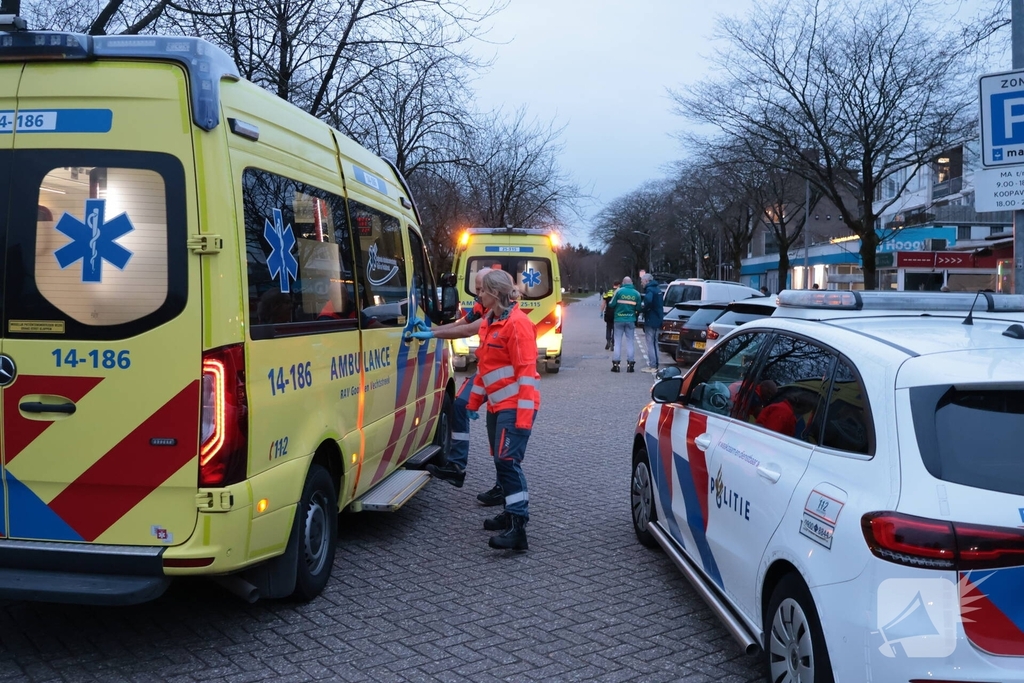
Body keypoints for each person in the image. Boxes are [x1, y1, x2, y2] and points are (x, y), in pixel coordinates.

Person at [409, 268, 504, 507]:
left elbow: (469, 330)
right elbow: (462, 322)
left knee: (500, 435)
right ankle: (457, 466)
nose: (478, 294)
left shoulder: (499, 311)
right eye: (476, 288)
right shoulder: (482, 305)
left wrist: (432, 334)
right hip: (486, 372)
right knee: (460, 406)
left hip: (502, 379)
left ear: (493, 289)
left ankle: (504, 489)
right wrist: (431, 328)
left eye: (482, 289)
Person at [466, 269, 540, 551]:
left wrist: (523, 418)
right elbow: (486, 368)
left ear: (495, 294)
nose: (478, 296)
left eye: (481, 291)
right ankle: (510, 514)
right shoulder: (490, 322)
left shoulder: (518, 325)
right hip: (498, 405)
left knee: (508, 462)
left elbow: (526, 374)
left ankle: (518, 527)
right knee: (501, 462)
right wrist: (473, 402)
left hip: (515, 406)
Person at [608, 276, 640, 373]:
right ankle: (630, 364)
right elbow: (639, 308)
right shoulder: (636, 293)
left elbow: (611, 304)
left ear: (623, 282)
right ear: (631, 283)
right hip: (630, 319)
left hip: (619, 319)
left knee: (617, 342)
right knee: (630, 342)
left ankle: (616, 364)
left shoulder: (618, 291)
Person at [639, 272, 663, 373]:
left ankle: (652, 365)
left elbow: (648, 301)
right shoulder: (658, 289)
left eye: (642, 281)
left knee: (650, 343)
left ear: (646, 281)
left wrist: (643, 309)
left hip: (651, 319)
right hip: (658, 318)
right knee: (655, 342)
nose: (641, 283)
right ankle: (656, 364)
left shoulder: (650, 290)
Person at [600, 281, 619, 350]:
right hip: (616, 313)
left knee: (608, 327)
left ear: (613, 285)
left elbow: (603, 303)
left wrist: (601, 312)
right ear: (618, 285)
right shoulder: (619, 292)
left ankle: (608, 340)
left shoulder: (608, 292)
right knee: (615, 328)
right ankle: (613, 343)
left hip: (608, 312)